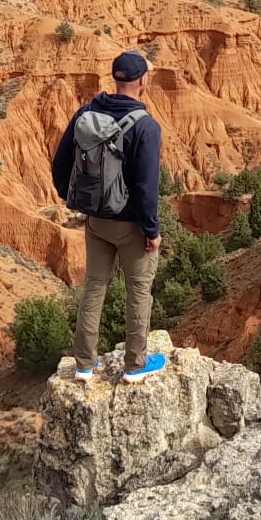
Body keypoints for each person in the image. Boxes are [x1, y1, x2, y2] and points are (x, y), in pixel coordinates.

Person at [51, 50, 168, 383]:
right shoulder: (145, 127)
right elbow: (147, 187)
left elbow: (60, 163)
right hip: (131, 225)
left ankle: (84, 366)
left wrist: (75, 200)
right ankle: (135, 365)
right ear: (142, 81)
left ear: (116, 79)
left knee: (94, 289)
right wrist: (151, 229)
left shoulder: (88, 112)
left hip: (97, 221)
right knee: (138, 291)